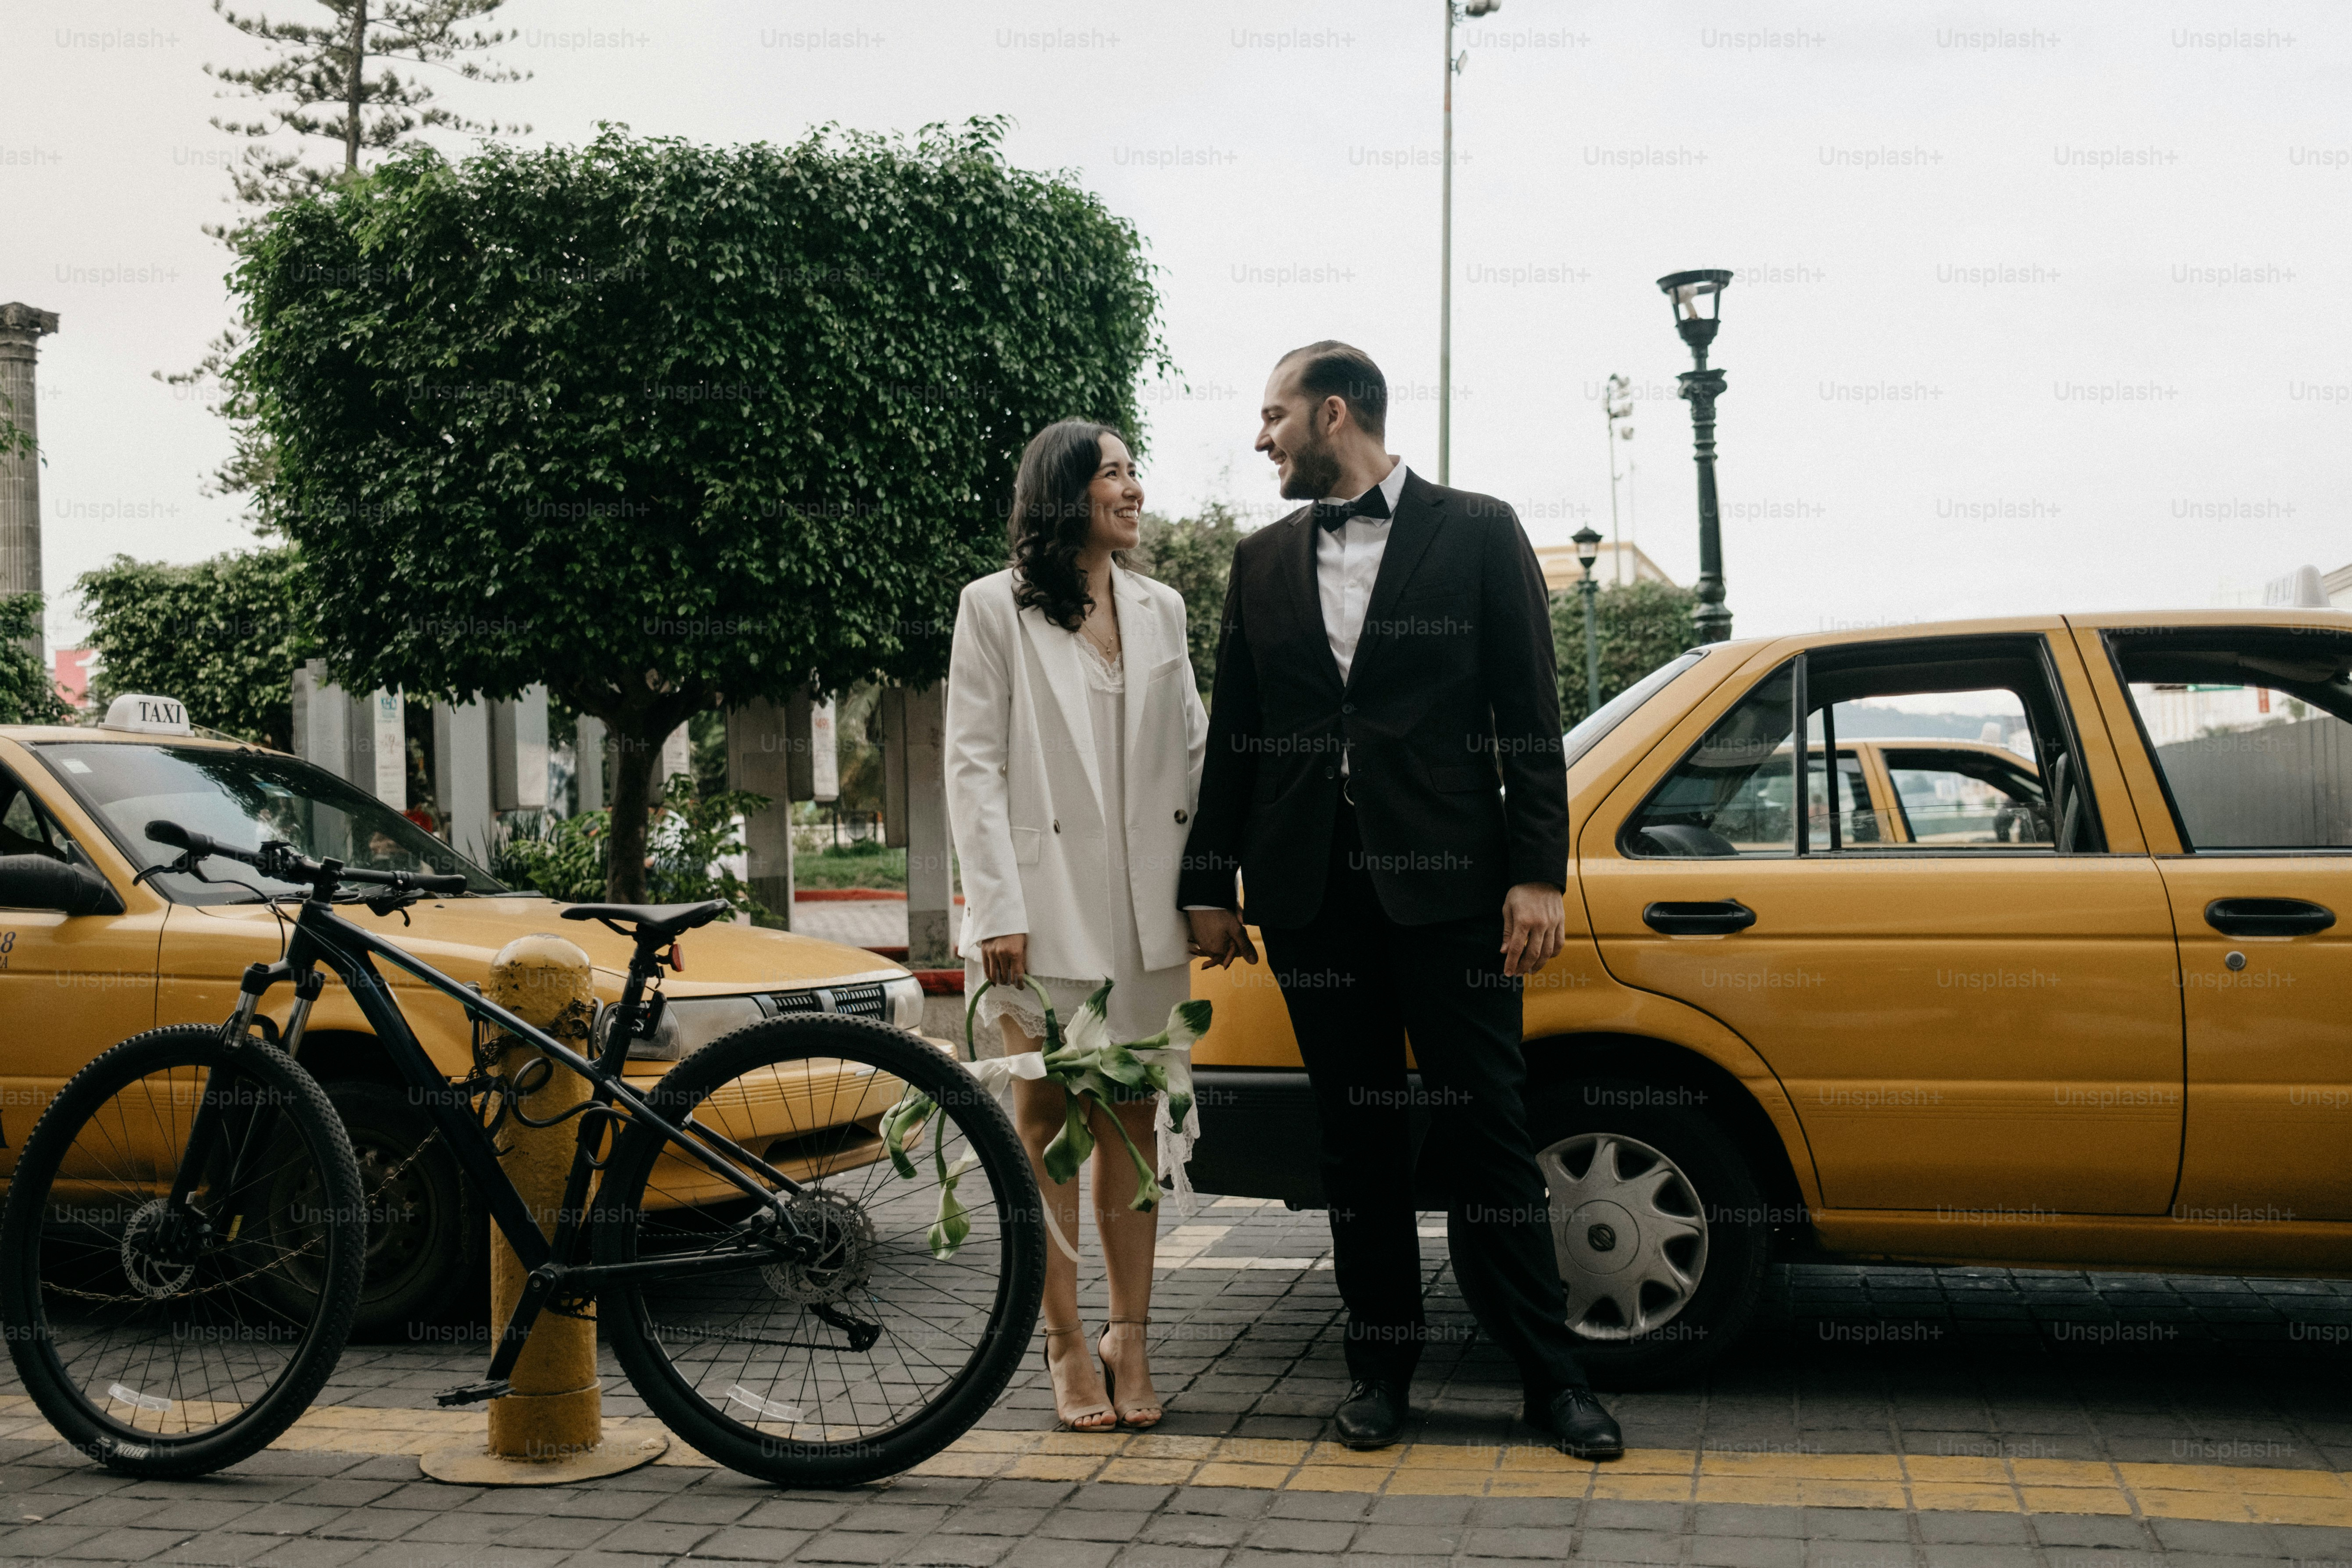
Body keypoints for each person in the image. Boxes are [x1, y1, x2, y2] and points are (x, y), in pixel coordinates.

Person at [1178, 342, 1624, 1459]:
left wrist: (1536, 872)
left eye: (1274, 415)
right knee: (1355, 1138)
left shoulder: (1477, 530)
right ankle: (1379, 1370)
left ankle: (1552, 1377)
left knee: (1489, 1129)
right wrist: (1208, 881)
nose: (1261, 437)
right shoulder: (1258, 560)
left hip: (1454, 888)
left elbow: (1528, 711)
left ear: (1333, 414)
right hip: (1310, 891)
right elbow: (1238, 730)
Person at [945, 418, 1209, 1432]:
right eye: (1112, 473)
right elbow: (972, 762)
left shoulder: (1160, 607)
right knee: (1048, 1122)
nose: (1133, 489)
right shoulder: (992, 607)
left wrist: (1211, 889)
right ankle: (1061, 1339)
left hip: (1143, 906)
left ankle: (1127, 1334)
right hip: (1036, 905)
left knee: (1133, 1125)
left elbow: (1192, 752)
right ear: (1065, 491)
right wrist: (994, 906)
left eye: (1135, 471)